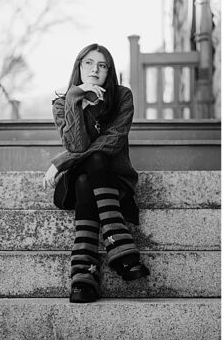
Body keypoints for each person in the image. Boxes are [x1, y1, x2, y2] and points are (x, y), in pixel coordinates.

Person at [44, 44, 149, 304]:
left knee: (97, 162)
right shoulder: (62, 104)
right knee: (82, 176)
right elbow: (78, 146)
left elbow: (112, 142)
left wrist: (61, 162)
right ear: (79, 67)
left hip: (115, 180)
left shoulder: (122, 96)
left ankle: (84, 273)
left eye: (102, 65)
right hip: (80, 187)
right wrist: (74, 99)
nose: (95, 70)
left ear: (109, 72)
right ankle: (120, 248)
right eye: (89, 63)